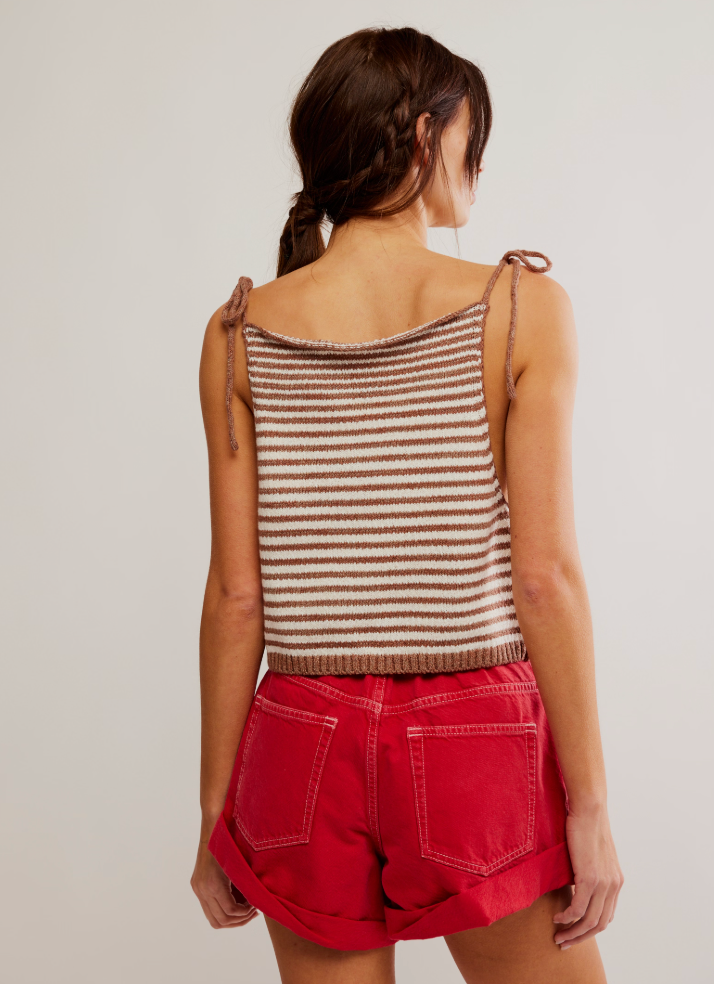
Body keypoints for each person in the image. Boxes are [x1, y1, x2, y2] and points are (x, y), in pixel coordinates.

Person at [190, 25, 623, 984]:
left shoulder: (237, 331)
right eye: (473, 135)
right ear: (426, 140)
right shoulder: (518, 307)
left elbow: (234, 597)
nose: (479, 163)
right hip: (473, 731)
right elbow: (544, 579)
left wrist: (219, 812)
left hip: (298, 740)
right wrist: (590, 808)